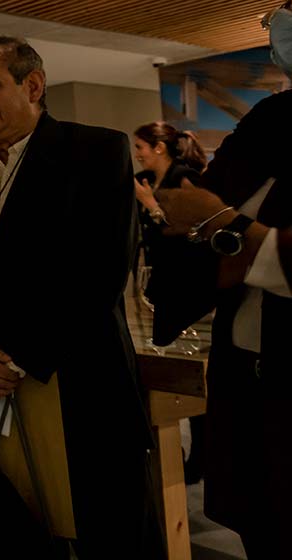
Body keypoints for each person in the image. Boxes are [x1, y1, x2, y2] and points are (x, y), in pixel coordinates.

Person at [0, 36, 161, 557]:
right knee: (17, 529)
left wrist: (17, 357)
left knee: (111, 533)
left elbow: (100, 272)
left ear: (33, 85)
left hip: (82, 383)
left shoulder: (95, 152)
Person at [153, 4, 292, 554]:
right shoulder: (270, 122)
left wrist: (225, 231)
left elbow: (211, 218)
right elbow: (191, 217)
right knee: (263, 525)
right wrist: (221, 234)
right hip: (250, 380)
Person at [130, 121, 210, 483]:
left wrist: (151, 205)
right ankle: (172, 449)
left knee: (191, 372)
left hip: (187, 288)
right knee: (166, 369)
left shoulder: (184, 177)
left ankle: (204, 455)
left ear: (158, 147)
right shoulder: (147, 179)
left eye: (140, 147)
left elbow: (197, 231)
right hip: (159, 286)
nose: (137, 153)